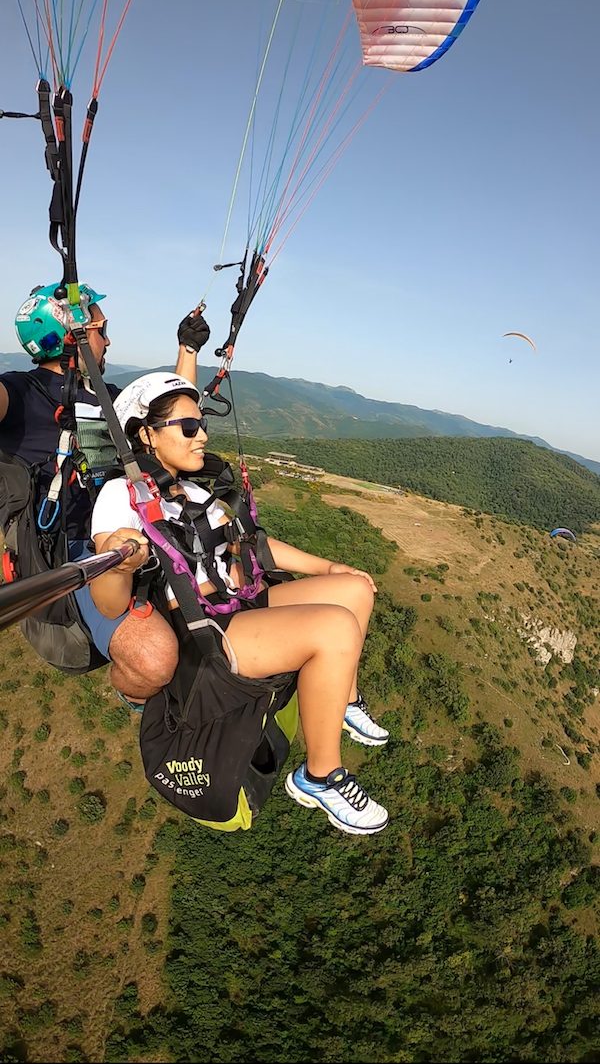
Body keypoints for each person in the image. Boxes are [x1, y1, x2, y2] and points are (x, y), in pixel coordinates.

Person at [90, 372, 390, 835]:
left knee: (354, 591)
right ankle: (320, 776)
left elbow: (253, 549)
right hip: (201, 635)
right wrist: (118, 562)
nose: (202, 435)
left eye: (201, 424)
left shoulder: (193, 491)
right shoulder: (121, 496)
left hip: (239, 606)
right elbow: (109, 607)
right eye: (188, 427)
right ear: (145, 435)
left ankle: (343, 699)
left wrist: (329, 569)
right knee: (336, 629)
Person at [0, 283, 209, 694]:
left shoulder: (108, 398)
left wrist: (188, 349)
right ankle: (140, 695)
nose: (108, 339)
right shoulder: (21, 394)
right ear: (71, 337)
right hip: (74, 547)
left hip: (138, 526)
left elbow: (171, 419)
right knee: (154, 660)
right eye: (100, 329)